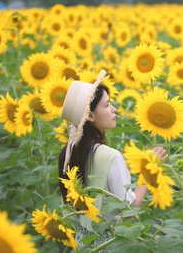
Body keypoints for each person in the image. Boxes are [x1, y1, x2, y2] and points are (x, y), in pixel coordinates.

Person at [57, 69, 167, 248]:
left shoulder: (67, 153)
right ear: (91, 116)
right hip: (109, 244)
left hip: (83, 243)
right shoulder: (111, 156)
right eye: (107, 105)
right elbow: (128, 210)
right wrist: (148, 174)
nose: (114, 109)